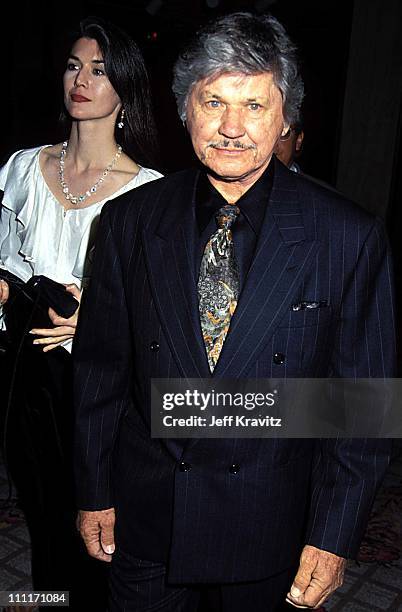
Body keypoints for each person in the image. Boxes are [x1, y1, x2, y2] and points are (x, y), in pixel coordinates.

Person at [73, 12, 396, 612]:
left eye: (254, 106)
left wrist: (331, 537)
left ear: (286, 118)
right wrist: (94, 491)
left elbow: (361, 405)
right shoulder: (129, 222)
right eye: (213, 101)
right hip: (146, 524)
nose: (231, 127)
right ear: (184, 108)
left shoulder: (346, 236)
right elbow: (99, 372)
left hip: (270, 531)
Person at [0, 15, 162, 610]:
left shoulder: (148, 192)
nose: (82, 80)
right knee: (41, 515)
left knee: (94, 525)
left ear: (124, 88)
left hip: (98, 388)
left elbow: (162, 316)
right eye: (74, 65)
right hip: (26, 377)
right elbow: (5, 259)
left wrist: (98, 319)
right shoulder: (22, 168)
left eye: (99, 69)